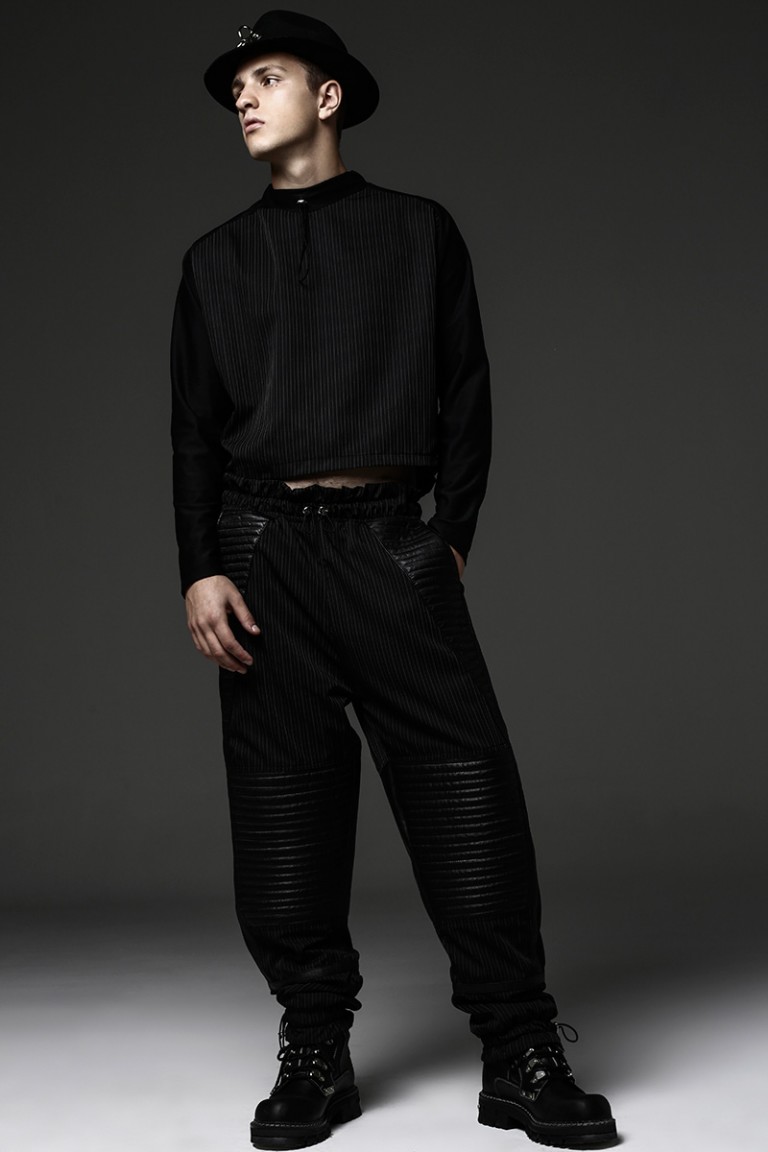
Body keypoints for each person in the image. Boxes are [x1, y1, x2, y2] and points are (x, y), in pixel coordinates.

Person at [170, 10, 617, 1150]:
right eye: (236, 85)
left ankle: (519, 1050)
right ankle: (315, 1047)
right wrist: (200, 570)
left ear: (328, 97)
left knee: (468, 793)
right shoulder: (213, 260)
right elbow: (192, 434)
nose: (244, 97)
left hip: (388, 546)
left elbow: (466, 393)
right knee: (283, 808)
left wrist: (447, 538)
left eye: (268, 76)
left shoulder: (419, 231)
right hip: (262, 551)